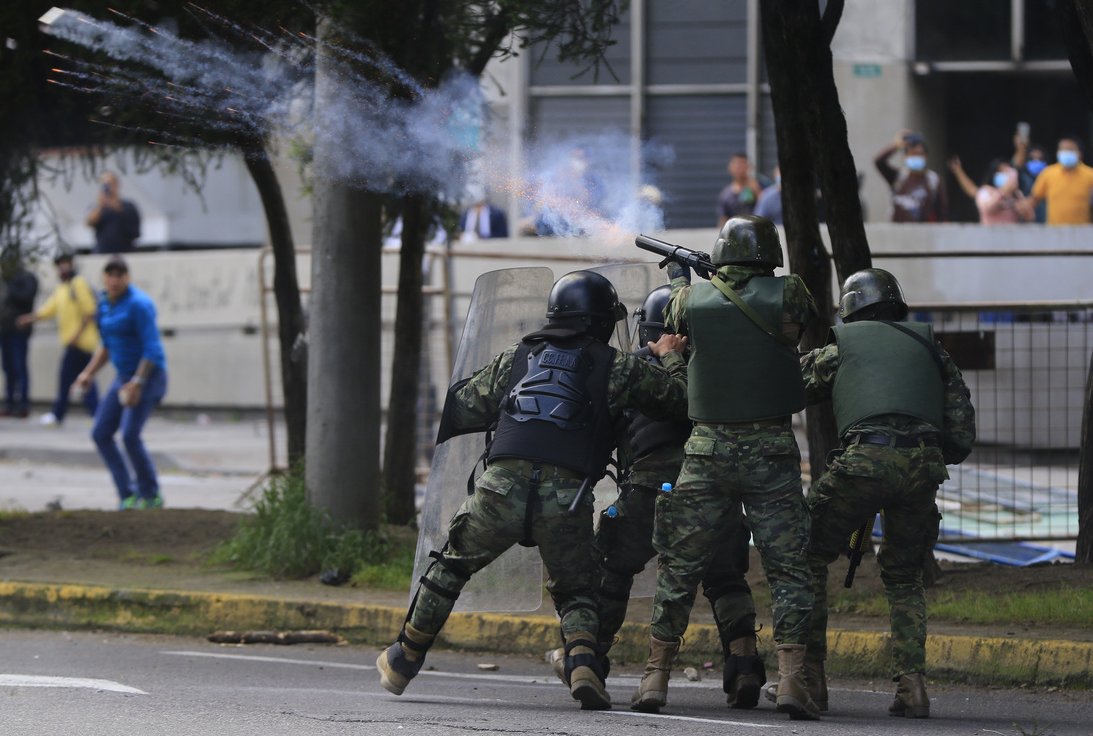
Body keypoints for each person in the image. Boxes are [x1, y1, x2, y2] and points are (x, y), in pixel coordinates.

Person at [377, 270, 689, 711]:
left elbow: (464, 406)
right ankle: (583, 665)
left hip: (500, 490)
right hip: (567, 498)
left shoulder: (517, 357)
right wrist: (666, 354)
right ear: (601, 320)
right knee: (576, 590)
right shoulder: (618, 367)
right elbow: (681, 399)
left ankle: (404, 658)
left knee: (449, 570)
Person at [634, 215, 822, 720]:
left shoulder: (689, 300)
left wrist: (680, 276)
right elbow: (792, 327)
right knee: (788, 570)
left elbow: (676, 319)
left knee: (679, 565)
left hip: (706, 451)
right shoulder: (791, 292)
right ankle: (791, 681)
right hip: (771, 452)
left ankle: (655, 677)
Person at [550, 284, 765, 712]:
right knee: (725, 578)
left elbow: (602, 429)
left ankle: (590, 660)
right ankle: (743, 665)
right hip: (716, 489)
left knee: (611, 569)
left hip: (649, 489)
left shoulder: (632, 367)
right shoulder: (720, 366)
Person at [799, 268, 975, 718]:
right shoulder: (930, 347)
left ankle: (809, 678)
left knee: (808, 556)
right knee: (903, 576)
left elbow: (791, 387)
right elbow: (961, 432)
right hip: (922, 468)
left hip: (862, 463)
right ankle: (912, 687)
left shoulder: (841, 346)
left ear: (851, 307)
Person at [74, 256, 168, 510]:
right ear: (104, 278)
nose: (114, 280)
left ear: (128, 277)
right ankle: (127, 493)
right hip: (123, 377)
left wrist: (137, 382)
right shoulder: (104, 304)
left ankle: (150, 494)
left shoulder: (139, 305)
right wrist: (88, 373)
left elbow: (151, 349)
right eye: (110, 274)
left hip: (148, 376)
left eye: (120, 275)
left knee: (129, 435)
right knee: (101, 433)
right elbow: (106, 345)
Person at [16, 253, 101, 425]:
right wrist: (29, 318)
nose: (62, 268)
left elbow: (89, 312)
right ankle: (94, 414)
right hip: (72, 342)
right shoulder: (62, 288)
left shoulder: (78, 284)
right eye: (60, 265)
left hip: (81, 342)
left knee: (73, 378)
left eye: (65, 264)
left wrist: (76, 336)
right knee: (82, 378)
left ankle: (63, 414)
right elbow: (48, 310)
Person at [874, 130, 947, 223]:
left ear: (925, 156)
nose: (916, 157)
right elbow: (878, 162)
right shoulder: (898, 177)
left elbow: (942, 214)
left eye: (919, 154)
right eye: (912, 154)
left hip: (923, 233)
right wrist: (897, 145)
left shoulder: (934, 180)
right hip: (898, 232)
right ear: (905, 157)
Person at [0, 254, 39, 418]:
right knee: (8, 368)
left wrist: (9, 283)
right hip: (4, 330)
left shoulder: (28, 278)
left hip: (19, 331)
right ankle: (9, 403)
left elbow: (25, 297)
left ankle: (23, 404)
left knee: (19, 367)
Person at [1022, 138, 1093, 225]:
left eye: (1070, 150)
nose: (1066, 153)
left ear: (1080, 154)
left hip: (1082, 232)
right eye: (1063, 149)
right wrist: (1022, 207)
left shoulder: (1090, 175)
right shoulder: (1048, 173)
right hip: (1055, 232)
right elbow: (1033, 199)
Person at [946, 157, 1027, 225]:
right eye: (1000, 171)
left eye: (1007, 172)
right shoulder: (985, 191)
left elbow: (1029, 217)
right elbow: (988, 207)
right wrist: (1003, 192)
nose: (1005, 175)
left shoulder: (1017, 194)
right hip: (990, 238)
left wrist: (1023, 208)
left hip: (1012, 239)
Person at [86, 171, 141, 254]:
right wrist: (100, 205)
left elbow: (135, 231)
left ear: (117, 185)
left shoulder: (129, 206)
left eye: (110, 184)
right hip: (103, 251)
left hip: (125, 250)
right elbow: (89, 222)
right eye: (104, 185)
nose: (107, 188)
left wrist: (113, 205)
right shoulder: (98, 207)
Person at [717, 153, 762, 226]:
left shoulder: (759, 185)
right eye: (736, 165)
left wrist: (757, 191)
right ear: (730, 168)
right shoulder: (726, 194)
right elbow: (723, 219)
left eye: (742, 164)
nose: (739, 168)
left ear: (749, 167)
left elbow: (766, 208)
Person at [1012, 137, 1047, 223]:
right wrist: (1021, 148)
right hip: (1026, 225)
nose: (1036, 162)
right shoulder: (1023, 178)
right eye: (1032, 159)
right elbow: (1015, 168)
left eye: (1040, 159)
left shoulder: (1050, 178)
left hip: (1048, 225)